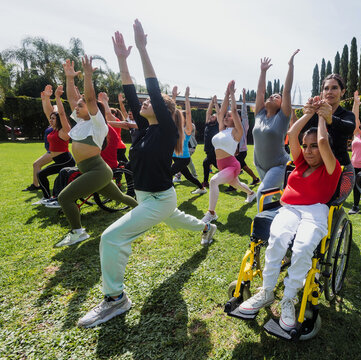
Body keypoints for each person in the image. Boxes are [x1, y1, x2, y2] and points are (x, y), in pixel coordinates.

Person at [77, 21, 217, 328]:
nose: (141, 102)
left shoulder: (166, 129)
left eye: (148, 101)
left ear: (161, 109)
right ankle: (206, 228)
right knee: (179, 220)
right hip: (147, 197)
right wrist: (122, 59)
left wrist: (142, 49)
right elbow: (130, 90)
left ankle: (115, 299)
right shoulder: (141, 129)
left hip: (159, 198)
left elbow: (152, 88)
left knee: (111, 239)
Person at [238, 99, 342, 332]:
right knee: (276, 240)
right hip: (290, 208)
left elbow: (324, 140)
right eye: (305, 146)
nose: (308, 150)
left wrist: (323, 119)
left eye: (314, 146)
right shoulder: (300, 163)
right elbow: (293, 132)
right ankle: (266, 291)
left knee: (303, 248)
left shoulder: (331, 168)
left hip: (315, 210)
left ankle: (288, 298)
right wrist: (308, 114)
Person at [55, 57, 138, 247]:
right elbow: (72, 99)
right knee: (121, 198)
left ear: (93, 110)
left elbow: (90, 99)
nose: (77, 107)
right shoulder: (81, 122)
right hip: (95, 171)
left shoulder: (98, 124)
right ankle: (143, 211)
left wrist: (88, 75)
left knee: (64, 198)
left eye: (81, 106)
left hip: (97, 171)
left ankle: (78, 232)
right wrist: (69, 79)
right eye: (78, 106)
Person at [200, 81, 256, 223]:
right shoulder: (222, 130)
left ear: (235, 119)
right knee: (236, 184)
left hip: (232, 165)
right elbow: (222, 111)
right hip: (222, 165)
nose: (226, 117)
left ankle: (211, 213)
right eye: (226, 116)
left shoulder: (237, 132)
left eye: (229, 116)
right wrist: (226, 94)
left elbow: (235, 112)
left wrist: (232, 94)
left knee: (213, 181)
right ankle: (251, 193)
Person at [252, 50, 299, 210]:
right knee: (275, 194)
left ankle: (263, 228)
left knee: (262, 193)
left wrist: (290, 66)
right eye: (271, 95)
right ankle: (286, 212)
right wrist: (263, 71)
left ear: (282, 104)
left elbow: (286, 90)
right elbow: (260, 92)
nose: (273, 96)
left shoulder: (282, 117)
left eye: (277, 97)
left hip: (278, 166)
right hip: (259, 164)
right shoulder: (259, 113)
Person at [301, 74, 355, 197]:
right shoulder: (315, 114)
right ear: (321, 92)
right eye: (326, 88)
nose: (329, 92)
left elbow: (349, 128)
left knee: (331, 208)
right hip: (316, 170)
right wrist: (307, 114)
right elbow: (299, 133)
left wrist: (330, 118)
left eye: (334, 88)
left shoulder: (347, 115)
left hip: (341, 170)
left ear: (342, 92)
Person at [35, 85, 76, 204]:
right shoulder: (53, 129)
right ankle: (47, 197)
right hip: (58, 160)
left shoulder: (63, 131)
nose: (51, 120)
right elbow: (48, 112)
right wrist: (46, 99)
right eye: (50, 118)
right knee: (42, 174)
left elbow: (62, 114)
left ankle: (48, 198)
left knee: (41, 174)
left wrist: (57, 97)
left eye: (53, 118)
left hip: (65, 160)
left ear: (58, 120)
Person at [170, 85, 206, 194]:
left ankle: (168, 196)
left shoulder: (188, 129)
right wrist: (173, 96)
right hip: (175, 157)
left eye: (181, 116)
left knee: (167, 173)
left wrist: (186, 97)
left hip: (184, 158)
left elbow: (189, 113)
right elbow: (171, 112)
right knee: (188, 176)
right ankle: (201, 188)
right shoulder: (174, 127)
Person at [225, 88, 260, 192]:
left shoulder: (243, 125)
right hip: (233, 150)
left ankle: (233, 186)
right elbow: (229, 111)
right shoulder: (231, 125)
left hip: (241, 151)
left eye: (237, 116)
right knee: (243, 166)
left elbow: (244, 113)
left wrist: (244, 98)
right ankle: (255, 178)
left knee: (233, 167)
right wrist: (229, 97)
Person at [23, 88, 55, 192]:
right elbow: (47, 112)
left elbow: (49, 110)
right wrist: (45, 99)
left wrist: (48, 99)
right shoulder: (52, 123)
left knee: (36, 164)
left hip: (55, 152)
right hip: (51, 151)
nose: (51, 116)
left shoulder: (59, 126)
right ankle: (36, 185)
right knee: (37, 165)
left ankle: (36, 185)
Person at [202, 96, 220, 188]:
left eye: (213, 116)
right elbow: (208, 112)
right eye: (211, 116)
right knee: (218, 166)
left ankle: (205, 182)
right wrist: (211, 102)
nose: (211, 116)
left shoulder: (217, 125)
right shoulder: (207, 124)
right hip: (208, 150)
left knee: (206, 163)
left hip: (214, 149)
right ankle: (230, 175)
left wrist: (216, 103)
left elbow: (219, 114)